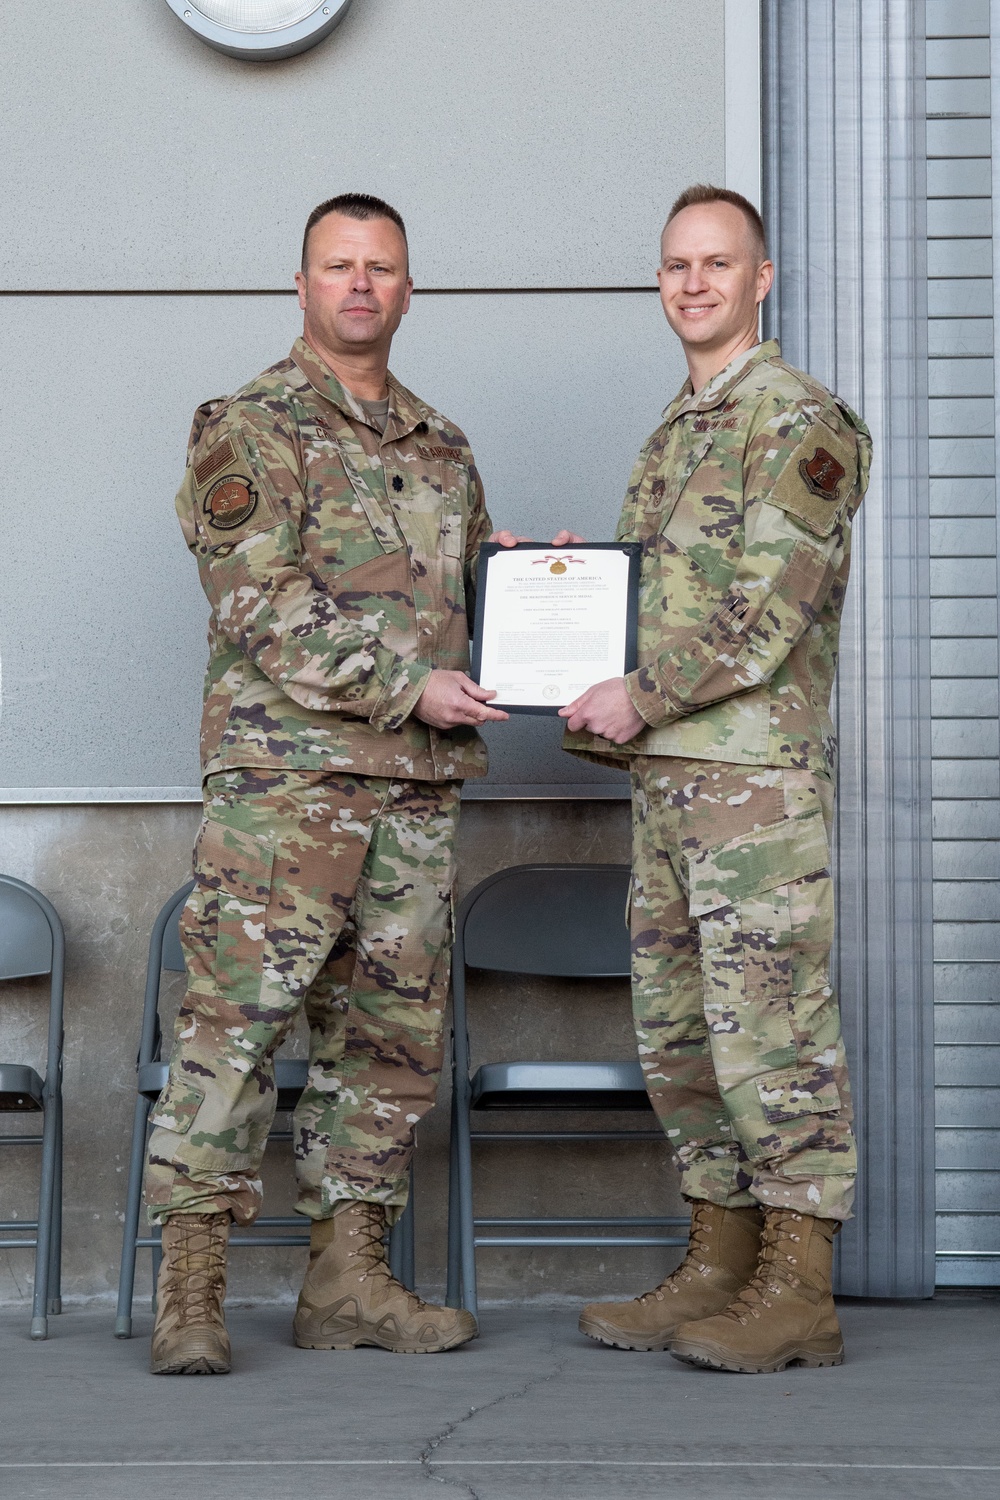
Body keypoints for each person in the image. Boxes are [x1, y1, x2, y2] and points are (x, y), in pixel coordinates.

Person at [146, 192, 515, 1374]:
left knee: (390, 1038)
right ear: (301, 284)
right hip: (288, 789)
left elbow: (469, 602)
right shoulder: (245, 426)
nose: (360, 285)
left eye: (382, 267)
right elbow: (259, 599)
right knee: (236, 1026)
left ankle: (348, 1277)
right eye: (338, 265)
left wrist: (527, 587)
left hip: (412, 790)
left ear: (410, 289)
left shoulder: (442, 444)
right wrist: (410, 683)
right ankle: (191, 1287)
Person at [560, 185, 871, 1373]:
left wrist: (633, 692)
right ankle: (722, 1260)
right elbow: (648, 606)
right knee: (683, 1033)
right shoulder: (675, 431)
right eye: (675, 265)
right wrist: (545, 594)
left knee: (772, 1031)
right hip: (668, 787)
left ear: (762, 279)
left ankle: (799, 1290)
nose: (693, 283)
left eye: (716, 264)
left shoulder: (802, 423)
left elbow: (764, 614)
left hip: (752, 794)